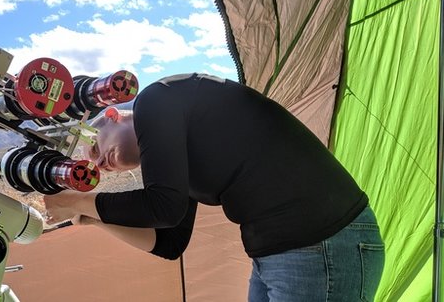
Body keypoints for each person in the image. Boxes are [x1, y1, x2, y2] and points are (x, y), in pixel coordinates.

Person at [43, 73, 385, 301]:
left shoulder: (155, 100)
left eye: (94, 148)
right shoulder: (174, 151)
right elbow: (169, 241)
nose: (98, 162)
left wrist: (76, 201)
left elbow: (163, 207)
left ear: (114, 115)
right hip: (284, 253)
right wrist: (94, 217)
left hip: (321, 244)